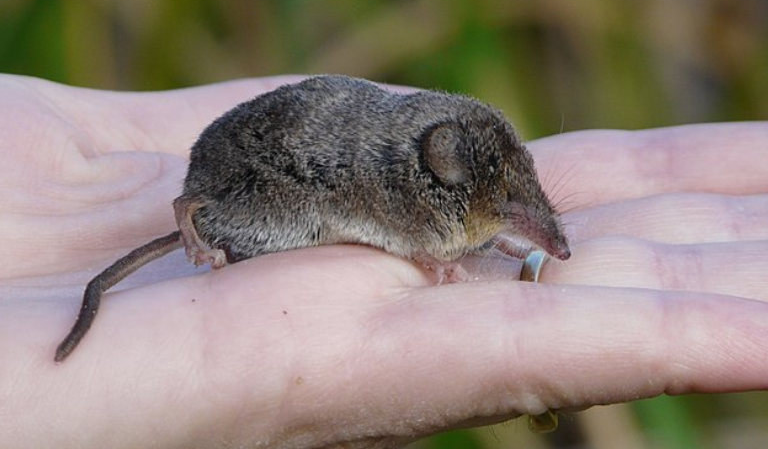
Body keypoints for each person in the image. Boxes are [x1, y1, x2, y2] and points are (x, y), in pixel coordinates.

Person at [1, 73, 766, 449]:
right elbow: (415, 230)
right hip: (259, 176)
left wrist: (494, 234)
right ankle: (194, 222)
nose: (543, 231)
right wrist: (449, 252)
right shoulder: (396, 185)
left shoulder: (442, 162)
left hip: (278, 149)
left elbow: (460, 225)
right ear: (435, 177)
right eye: (506, 210)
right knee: (261, 232)